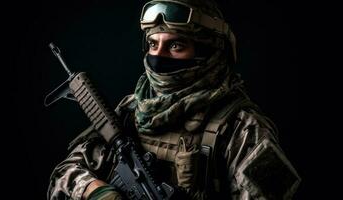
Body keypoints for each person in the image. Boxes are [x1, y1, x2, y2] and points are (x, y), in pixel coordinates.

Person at [47, 0, 301, 199]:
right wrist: (96, 191)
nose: (159, 56)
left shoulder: (241, 128)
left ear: (207, 52)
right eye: (153, 45)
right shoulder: (130, 111)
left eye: (176, 46)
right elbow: (63, 175)